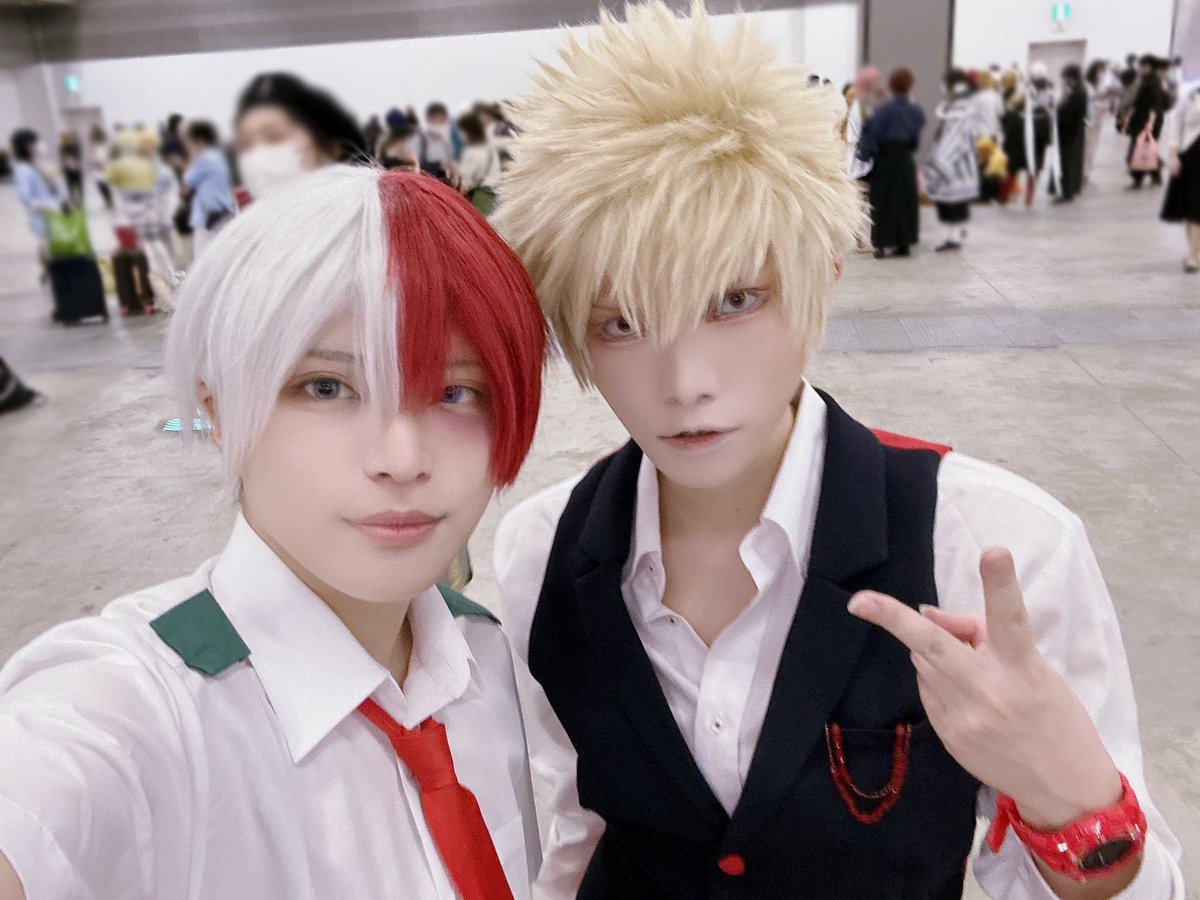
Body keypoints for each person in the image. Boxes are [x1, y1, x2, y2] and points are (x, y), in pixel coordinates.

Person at [491, 3, 1186, 898]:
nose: (685, 382)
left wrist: (1066, 790)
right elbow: (571, 835)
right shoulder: (542, 553)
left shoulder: (988, 546)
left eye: (735, 301)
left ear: (823, 268)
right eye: (620, 323)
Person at [0, 166, 546, 899]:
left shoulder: (488, 657)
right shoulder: (142, 712)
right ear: (219, 412)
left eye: (456, 391)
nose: (402, 458)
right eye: (327, 387)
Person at [233, 72, 367, 201]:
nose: (258, 155)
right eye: (245, 144)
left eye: (274, 137)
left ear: (332, 149)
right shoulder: (246, 215)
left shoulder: (369, 212)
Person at [857, 67, 925, 258]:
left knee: (883, 201)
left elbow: (870, 135)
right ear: (910, 86)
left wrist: (865, 156)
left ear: (892, 86)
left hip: (885, 159)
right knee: (904, 201)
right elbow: (915, 141)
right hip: (904, 159)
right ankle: (903, 243)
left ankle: (880, 244)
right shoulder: (915, 111)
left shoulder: (882, 110)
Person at [925, 69, 983, 251]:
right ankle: (955, 234)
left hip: (955, 163)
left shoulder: (959, 109)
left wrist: (941, 158)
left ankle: (954, 238)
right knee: (953, 201)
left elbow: (956, 138)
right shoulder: (957, 106)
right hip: (955, 161)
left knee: (954, 201)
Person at [1161, 84, 1200, 271]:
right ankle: (1194, 251)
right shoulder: (1189, 97)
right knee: (1190, 206)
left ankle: (1193, 254)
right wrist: (1172, 156)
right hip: (1190, 157)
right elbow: (1175, 127)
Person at [182, 120, 236, 255]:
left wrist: (193, 156)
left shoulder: (204, 159)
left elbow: (188, 180)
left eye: (188, 142)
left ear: (198, 141)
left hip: (208, 214)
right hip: (221, 210)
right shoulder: (217, 156)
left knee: (203, 255)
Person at [10, 129, 60, 270]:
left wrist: (51, 180)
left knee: (50, 247)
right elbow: (25, 197)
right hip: (42, 216)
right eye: (36, 142)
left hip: (51, 214)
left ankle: (50, 272)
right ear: (27, 145)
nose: (39, 145)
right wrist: (44, 206)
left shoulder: (34, 165)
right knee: (47, 247)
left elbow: (48, 189)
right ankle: (50, 273)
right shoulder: (22, 169)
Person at [1124, 55, 1168, 188]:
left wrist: (1150, 123)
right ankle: (1155, 174)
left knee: (1137, 151)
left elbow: (1153, 104)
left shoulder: (1150, 82)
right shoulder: (1152, 81)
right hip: (1148, 121)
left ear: (1148, 67)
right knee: (1147, 150)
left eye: (1142, 66)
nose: (1140, 69)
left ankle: (1138, 180)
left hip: (1146, 122)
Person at [457, 112, 503, 216]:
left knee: (482, 222)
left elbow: (469, 181)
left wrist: (457, 198)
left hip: (484, 194)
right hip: (498, 191)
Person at [1054, 64, 1088, 203]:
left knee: (1067, 163)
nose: (1064, 81)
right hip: (1074, 132)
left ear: (1071, 77)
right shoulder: (1078, 91)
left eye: (1065, 78)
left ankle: (1067, 192)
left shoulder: (1077, 94)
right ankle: (1069, 190)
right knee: (1071, 162)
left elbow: (1068, 114)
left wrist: (1060, 109)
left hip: (1069, 133)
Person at [421, 102, 460, 183]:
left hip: (442, 183)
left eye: (441, 121)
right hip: (424, 182)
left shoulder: (446, 143)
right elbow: (414, 166)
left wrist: (455, 174)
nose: (438, 124)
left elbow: (452, 162)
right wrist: (438, 164)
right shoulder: (420, 140)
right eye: (435, 120)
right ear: (428, 120)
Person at [88, 124, 114, 211]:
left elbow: (102, 158)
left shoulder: (101, 145)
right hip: (101, 168)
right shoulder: (100, 145)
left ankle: (109, 202)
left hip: (101, 168)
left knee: (103, 186)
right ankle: (108, 202)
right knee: (103, 186)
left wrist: (97, 164)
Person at [57, 132, 84, 208]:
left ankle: (80, 201)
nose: (68, 139)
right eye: (66, 138)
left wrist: (72, 160)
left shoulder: (75, 146)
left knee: (78, 186)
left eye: (69, 138)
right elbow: (62, 158)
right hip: (68, 170)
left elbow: (78, 156)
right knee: (70, 187)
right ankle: (74, 202)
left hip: (76, 169)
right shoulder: (62, 147)